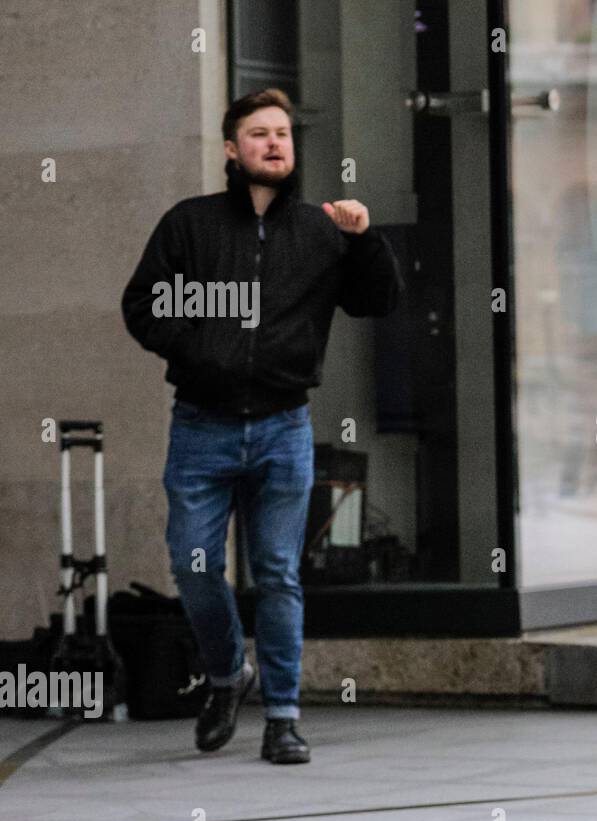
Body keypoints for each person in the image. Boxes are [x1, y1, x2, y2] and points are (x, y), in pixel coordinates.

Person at [122, 88, 403, 764]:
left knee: (278, 573)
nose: (274, 143)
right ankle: (227, 676)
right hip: (201, 426)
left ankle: (282, 717)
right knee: (193, 566)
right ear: (231, 149)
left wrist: (365, 241)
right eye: (258, 133)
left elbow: (379, 299)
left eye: (282, 133)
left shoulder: (319, 229)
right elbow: (141, 305)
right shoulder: (189, 225)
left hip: (283, 427)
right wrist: (196, 348)